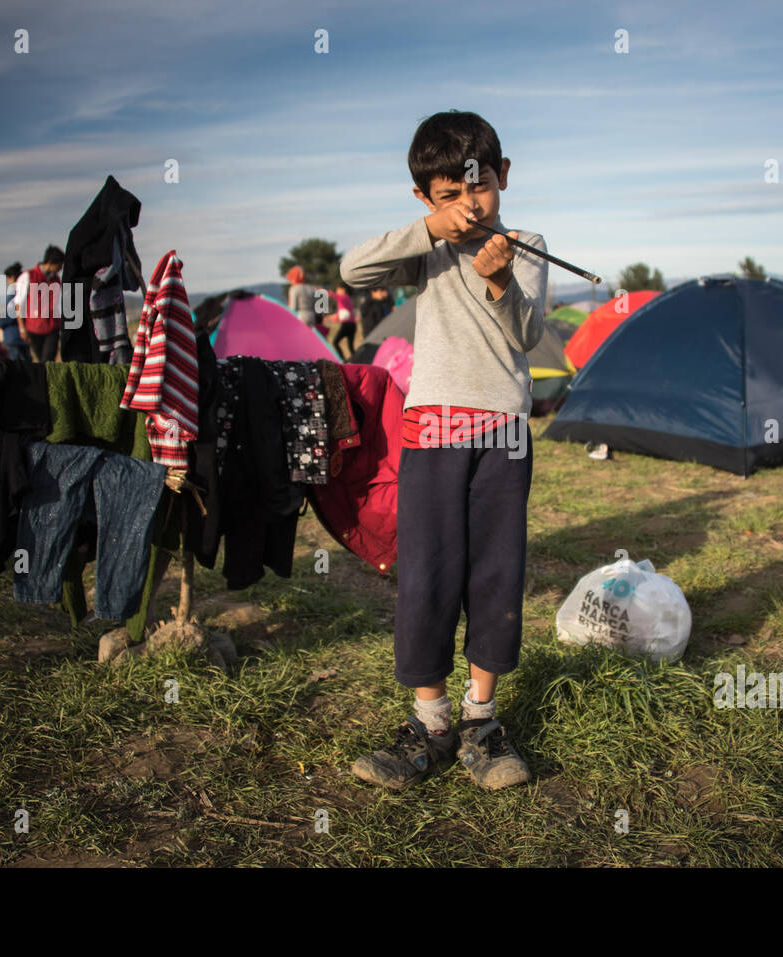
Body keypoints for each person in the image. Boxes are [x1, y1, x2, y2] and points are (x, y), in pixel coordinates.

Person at [339, 110, 546, 791]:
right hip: (430, 435)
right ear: (425, 199)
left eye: (478, 186)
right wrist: (431, 228)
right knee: (426, 577)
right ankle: (429, 723)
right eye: (447, 194)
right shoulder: (425, 248)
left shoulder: (527, 246)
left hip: (502, 437)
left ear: (502, 177)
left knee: (495, 576)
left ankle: (481, 721)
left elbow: (525, 335)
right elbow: (352, 266)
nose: (468, 205)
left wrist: (500, 280)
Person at [16, 245, 64, 362]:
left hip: (52, 327)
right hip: (34, 329)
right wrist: (22, 328)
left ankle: (48, 379)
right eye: (59, 265)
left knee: (48, 359)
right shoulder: (28, 276)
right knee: (40, 361)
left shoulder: (56, 280)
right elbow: (19, 303)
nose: (61, 268)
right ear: (51, 262)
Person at [0, 262, 30, 361]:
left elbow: (10, 314)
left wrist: (1, 322)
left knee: (17, 365)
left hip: (14, 335)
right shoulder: (25, 290)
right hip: (25, 333)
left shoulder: (14, 292)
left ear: (11, 277)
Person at [330, 283, 358, 360]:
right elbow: (342, 313)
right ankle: (357, 360)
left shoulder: (343, 297)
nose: (336, 291)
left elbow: (334, 296)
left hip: (347, 325)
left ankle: (343, 360)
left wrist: (322, 291)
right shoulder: (348, 299)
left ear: (343, 290)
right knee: (350, 347)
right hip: (352, 325)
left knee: (335, 342)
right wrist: (334, 317)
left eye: (338, 289)